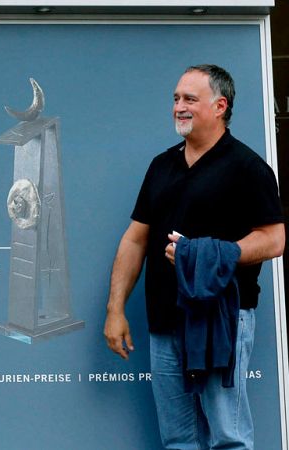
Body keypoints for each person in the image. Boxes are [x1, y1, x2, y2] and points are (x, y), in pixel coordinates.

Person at [103, 64, 284, 449]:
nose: (178, 107)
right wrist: (115, 309)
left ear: (220, 106)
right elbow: (135, 240)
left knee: (228, 438)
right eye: (175, 99)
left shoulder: (248, 168)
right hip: (166, 321)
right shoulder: (161, 165)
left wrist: (210, 253)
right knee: (178, 439)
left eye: (189, 99)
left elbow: (273, 239)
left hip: (221, 319)